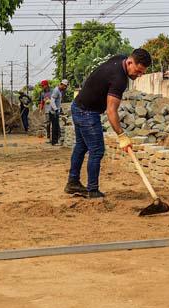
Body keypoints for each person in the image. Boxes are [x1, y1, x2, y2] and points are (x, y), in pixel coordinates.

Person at [65, 49, 151, 198]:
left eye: (142, 72)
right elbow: (111, 111)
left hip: (77, 106)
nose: (139, 75)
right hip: (87, 112)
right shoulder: (119, 79)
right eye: (138, 71)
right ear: (130, 62)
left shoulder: (120, 59)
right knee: (97, 150)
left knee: (81, 146)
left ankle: (73, 182)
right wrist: (122, 136)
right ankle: (93, 190)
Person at [47, 79, 68, 146]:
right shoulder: (56, 91)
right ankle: (54, 142)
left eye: (66, 86)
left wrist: (60, 110)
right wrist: (56, 109)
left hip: (55, 111)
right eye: (64, 86)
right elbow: (52, 101)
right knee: (55, 127)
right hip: (53, 112)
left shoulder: (59, 91)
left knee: (56, 126)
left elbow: (58, 102)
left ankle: (55, 140)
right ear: (61, 84)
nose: (65, 88)